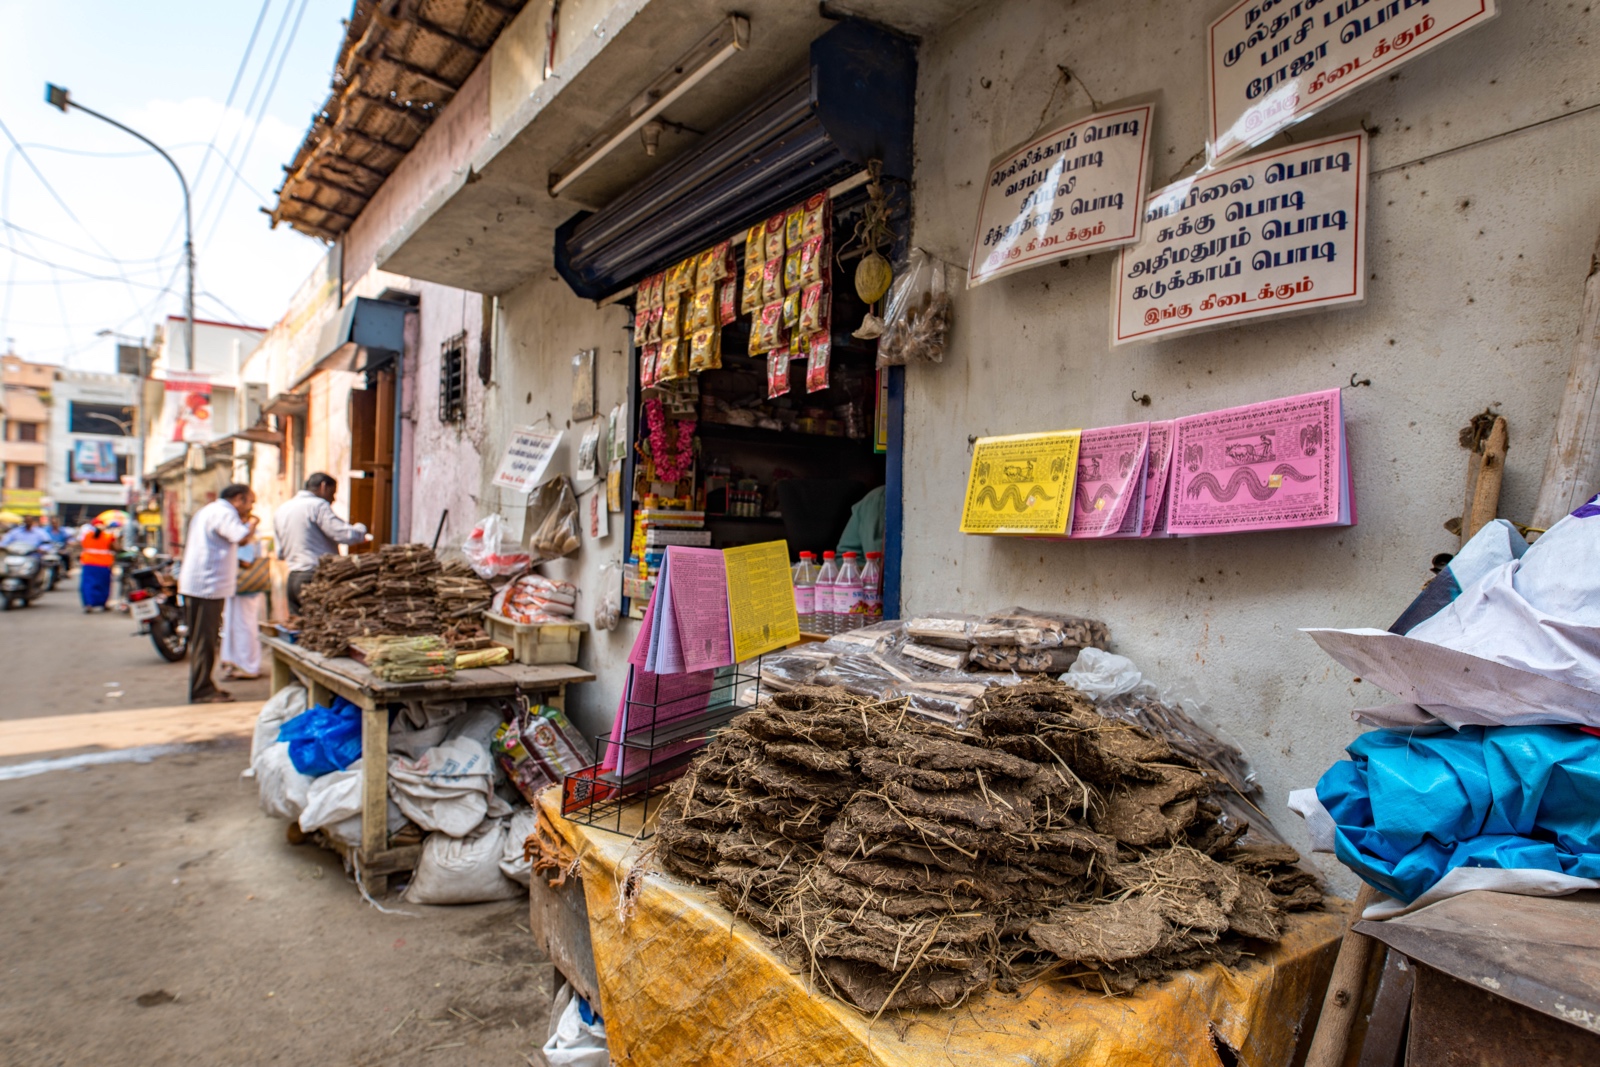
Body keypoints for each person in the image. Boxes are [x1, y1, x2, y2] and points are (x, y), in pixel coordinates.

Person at [179, 484, 258, 704]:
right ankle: (202, 690)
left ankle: (204, 685)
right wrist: (252, 523)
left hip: (203, 585)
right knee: (205, 640)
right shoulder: (224, 512)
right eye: (250, 502)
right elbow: (241, 537)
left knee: (204, 639)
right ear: (239, 499)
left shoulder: (211, 510)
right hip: (206, 586)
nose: (250, 508)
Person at [274, 472, 368, 615]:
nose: (333, 499)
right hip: (314, 576)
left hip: (293, 578)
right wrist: (361, 529)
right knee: (320, 622)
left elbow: (280, 553)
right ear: (323, 487)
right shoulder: (317, 506)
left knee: (299, 624)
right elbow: (344, 535)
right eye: (333, 493)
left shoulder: (283, 509)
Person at [220, 540, 267, 681]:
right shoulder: (242, 534)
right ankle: (238, 663)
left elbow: (246, 561)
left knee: (244, 625)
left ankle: (248, 666)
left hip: (245, 588)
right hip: (236, 588)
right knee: (235, 625)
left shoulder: (247, 536)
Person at [77, 521, 118, 612]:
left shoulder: (87, 535)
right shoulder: (108, 536)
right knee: (103, 585)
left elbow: (81, 545)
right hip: (103, 564)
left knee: (88, 585)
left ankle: (88, 604)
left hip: (89, 563)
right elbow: (115, 547)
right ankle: (103, 603)